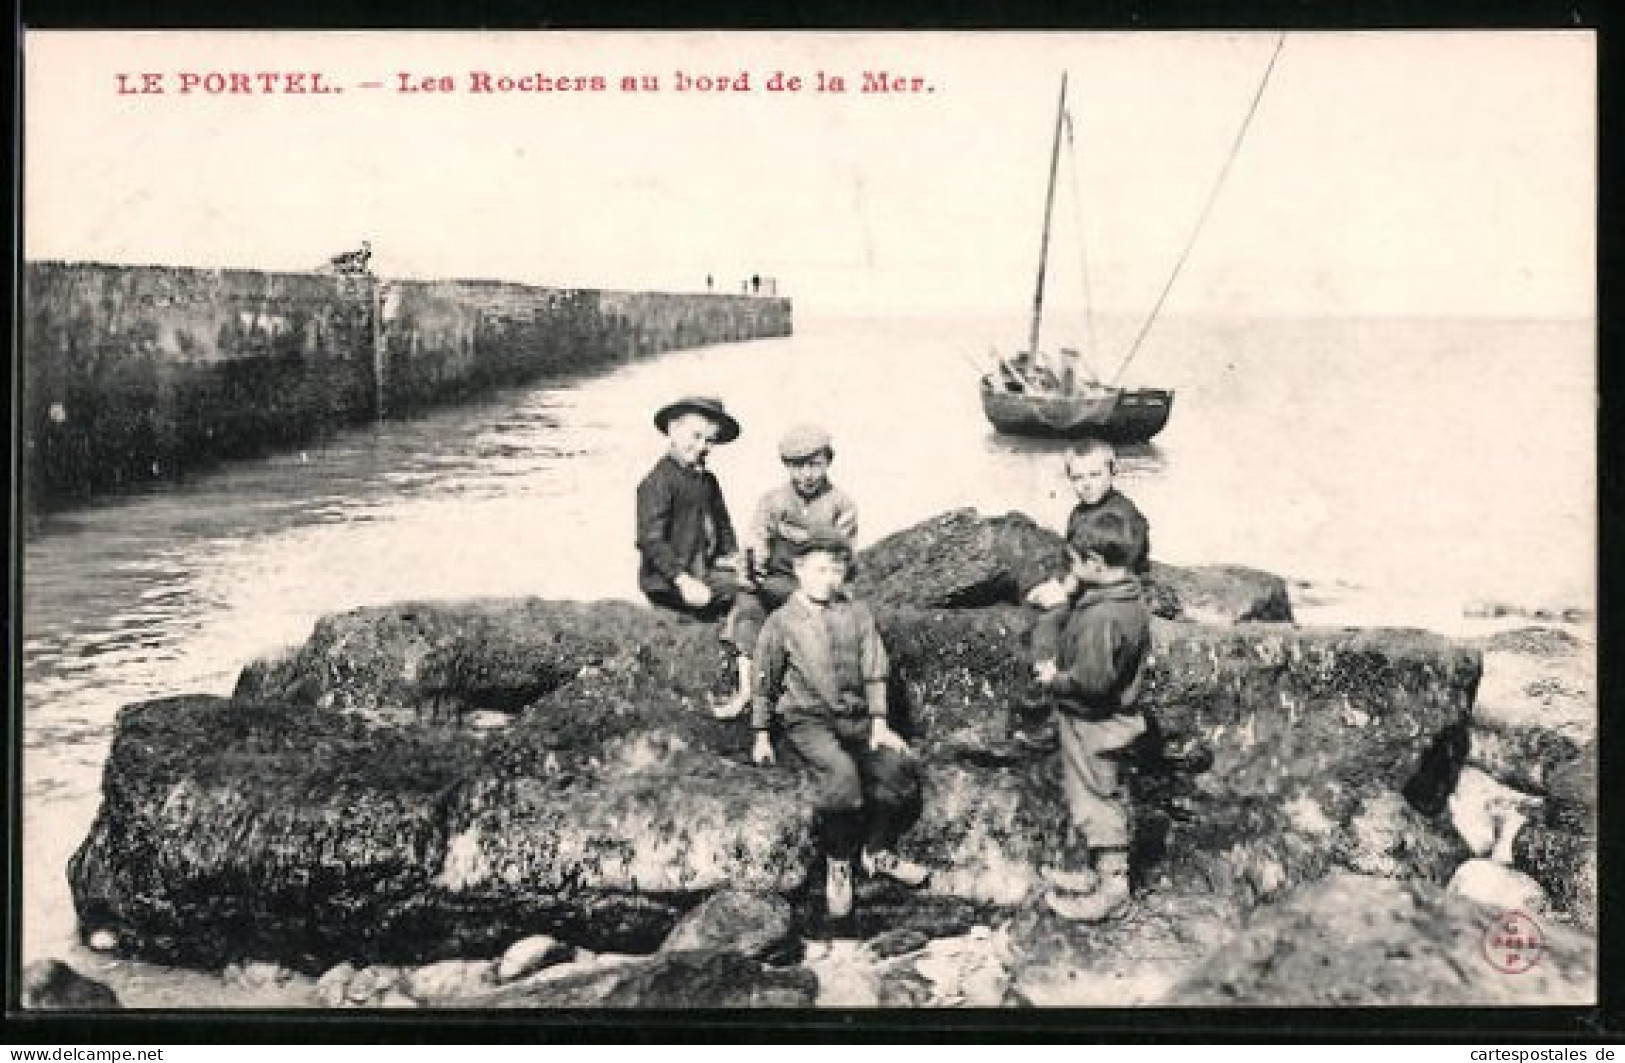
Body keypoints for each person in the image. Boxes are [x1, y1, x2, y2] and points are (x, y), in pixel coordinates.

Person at [750, 533, 932, 918]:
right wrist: (762, 734)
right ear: (799, 571)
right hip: (807, 720)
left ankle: (877, 851)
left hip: (857, 719)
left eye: (837, 568)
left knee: (897, 769)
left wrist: (880, 723)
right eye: (819, 569)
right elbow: (764, 678)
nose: (829, 578)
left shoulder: (857, 613)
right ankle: (839, 864)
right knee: (841, 775)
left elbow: (875, 669)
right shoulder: (782, 622)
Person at [1033, 510, 1151, 922]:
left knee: (1098, 801)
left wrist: (1056, 679)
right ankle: (1100, 874)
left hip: (1097, 723)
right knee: (1097, 794)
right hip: (1108, 721)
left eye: (1076, 561)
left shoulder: (1104, 616)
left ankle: (1113, 890)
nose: (1072, 568)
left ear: (1096, 564)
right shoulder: (1127, 597)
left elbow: (1094, 681)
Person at [710, 424, 858, 720]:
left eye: (815, 465)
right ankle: (745, 691)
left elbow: (844, 557)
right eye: (798, 466)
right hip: (776, 579)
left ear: (828, 462)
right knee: (748, 608)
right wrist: (756, 562)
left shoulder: (841, 505)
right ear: (787, 466)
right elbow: (757, 537)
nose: (807, 475)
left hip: (818, 585)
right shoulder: (773, 501)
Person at [1026, 439, 1151, 675]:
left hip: (1114, 592)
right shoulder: (1079, 513)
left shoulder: (1124, 517)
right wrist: (1059, 582)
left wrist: (1064, 594)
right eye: (1077, 478)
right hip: (1091, 583)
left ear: (1113, 471)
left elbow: (1119, 569)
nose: (1086, 485)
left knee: (1050, 619)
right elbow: (1073, 557)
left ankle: (1047, 673)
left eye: (1095, 475)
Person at [635, 396, 747, 624]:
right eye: (695, 436)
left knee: (751, 587)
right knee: (736, 597)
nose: (702, 447)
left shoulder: (709, 481)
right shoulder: (657, 481)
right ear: (673, 430)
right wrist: (681, 579)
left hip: (703, 571)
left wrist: (732, 557)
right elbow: (650, 541)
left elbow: (723, 526)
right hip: (668, 580)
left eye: (710, 440)